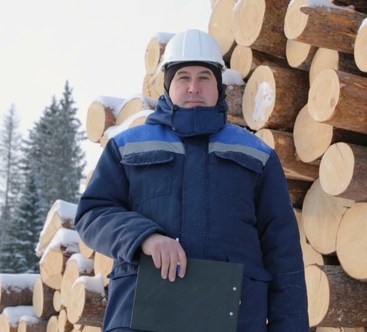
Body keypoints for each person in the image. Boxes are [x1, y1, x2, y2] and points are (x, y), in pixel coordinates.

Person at [75, 29, 309, 331]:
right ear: (168, 85)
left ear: (218, 86)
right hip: (142, 319)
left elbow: (283, 253)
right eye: (183, 77)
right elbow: (92, 214)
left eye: (204, 78)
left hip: (236, 320)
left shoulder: (257, 155)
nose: (194, 88)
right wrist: (145, 237)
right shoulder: (127, 147)